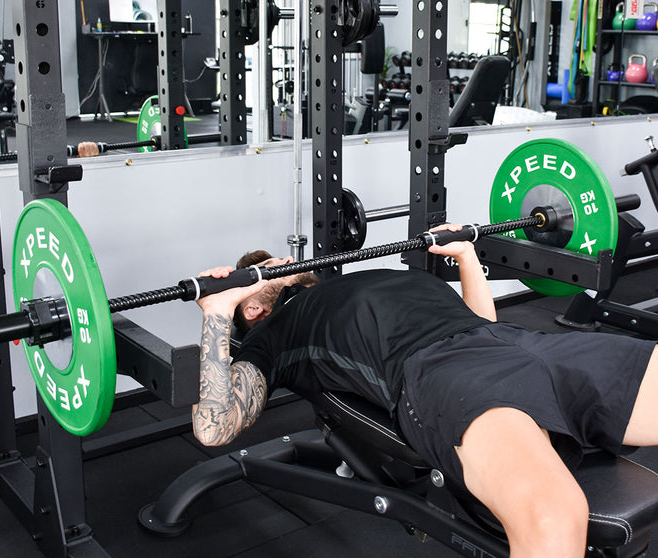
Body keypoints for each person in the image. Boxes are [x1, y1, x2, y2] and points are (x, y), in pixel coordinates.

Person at [191, 224, 658, 558]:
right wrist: (215, 310)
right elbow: (215, 428)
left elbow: (482, 321)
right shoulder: (275, 337)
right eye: (273, 267)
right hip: (446, 377)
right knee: (556, 519)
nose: (289, 261)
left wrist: (467, 258)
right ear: (252, 306)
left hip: (516, 343)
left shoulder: (353, 282)